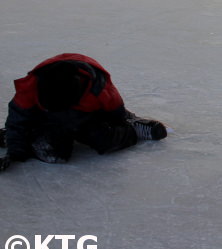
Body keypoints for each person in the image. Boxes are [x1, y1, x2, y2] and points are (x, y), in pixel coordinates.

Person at [0, 53, 166, 172]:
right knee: (53, 154)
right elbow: (18, 118)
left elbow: (116, 116)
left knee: (104, 140)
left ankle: (134, 127)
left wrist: (122, 129)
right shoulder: (31, 86)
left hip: (86, 118)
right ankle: (20, 136)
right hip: (46, 119)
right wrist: (15, 152)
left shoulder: (100, 90)